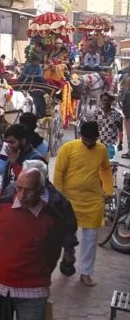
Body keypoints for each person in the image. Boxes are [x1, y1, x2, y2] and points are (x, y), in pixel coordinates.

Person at [0, 168, 66, 320]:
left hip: (33, 290)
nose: (22, 196)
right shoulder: (1, 206)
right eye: (19, 188)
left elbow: (53, 253)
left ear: (41, 191)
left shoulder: (52, 218)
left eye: (28, 191)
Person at [53, 121, 113, 287]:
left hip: (93, 201)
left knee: (91, 238)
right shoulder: (68, 148)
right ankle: (67, 258)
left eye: (92, 140)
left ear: (96, 138)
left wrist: (108, 191)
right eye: (86, 140)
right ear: (80, 136)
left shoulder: (101, 149)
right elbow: (59, 172)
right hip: (69, 200)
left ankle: (86, 273)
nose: (88, 144)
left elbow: (106, 170)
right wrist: (58, 196)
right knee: (65, 235)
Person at [2, 159, 79, 277]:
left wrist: (69, 250)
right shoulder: (10, 192)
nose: (22, 195)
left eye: (31, 186)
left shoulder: (57, 202)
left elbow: (68, 227)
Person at [0, 113, 48, 191]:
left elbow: (0, 164)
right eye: (8, 142)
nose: (9, 145)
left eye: (12, 142)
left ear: (23, 141)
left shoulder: (32, 157)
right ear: (35, 126)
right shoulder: (44, 145)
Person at [92, 91, 124, 159]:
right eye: (104, 100)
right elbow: (93, 127)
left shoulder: (118, 114)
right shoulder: (97, 112)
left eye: (108, 100)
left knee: (110, 162)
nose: (106, 102)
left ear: (112, 100)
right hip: (98, 142)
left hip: (111, 143)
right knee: (98, 162)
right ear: (101, 101)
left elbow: (120, 130)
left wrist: (121, 143)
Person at [121, 77, 130, 158]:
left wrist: (127, 116)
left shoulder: (127, 93)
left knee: (129, 134)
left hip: (129, 117)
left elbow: (127, 106)